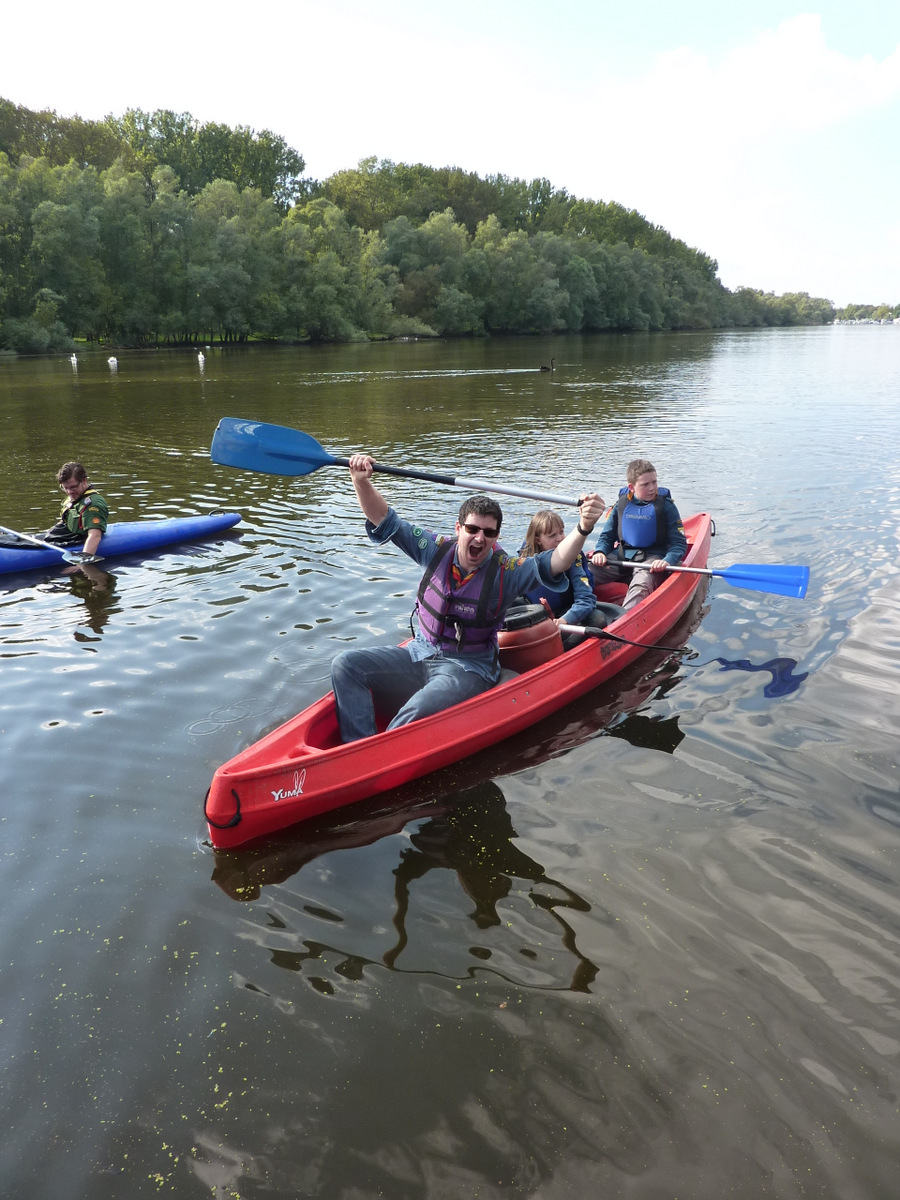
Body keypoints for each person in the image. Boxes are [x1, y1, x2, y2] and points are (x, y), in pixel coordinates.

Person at [330, 454, 606, 742]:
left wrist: (583, 527)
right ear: (458, 528)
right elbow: (384, 519)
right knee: (346, 664)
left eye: (488, 532)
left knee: (412, 715)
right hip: (419, 652)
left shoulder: (507, 570)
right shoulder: (433, 548)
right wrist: (360, 482)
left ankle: (381, 751)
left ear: (496, 536)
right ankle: (357, 746)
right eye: (472, 529)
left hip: (467, 667)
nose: (479, 538)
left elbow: (557, 561)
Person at [515, 509, 622, 648]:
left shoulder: (573, 559)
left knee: (598, 619)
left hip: (566, 612)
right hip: (537, 616)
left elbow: (586, 599)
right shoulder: (524, 558)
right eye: (552, 535)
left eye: (561, 532)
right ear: (538, 540)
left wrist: (565, 620)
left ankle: (563, 649)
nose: (560, 538)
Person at [589, 459, 687, 611]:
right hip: (621, 557)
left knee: (641, 583)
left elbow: (679, 543)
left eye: (654, 482)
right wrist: (600, 552)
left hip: (653, 559)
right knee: (585, 573)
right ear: (631, 487)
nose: (652, 488)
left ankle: (624, 618)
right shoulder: (621, 505)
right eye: (645, 484)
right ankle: (571, 608)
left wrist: (667, 561)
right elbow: (606, 537)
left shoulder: (667, 506)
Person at [45, 461, 108, 558]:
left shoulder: (93, 504)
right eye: (65, 488)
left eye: (73, 487)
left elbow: (95, 536)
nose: (69, 492)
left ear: (84, 481)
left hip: (82, 539)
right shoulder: (71, 499)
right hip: (68, 536)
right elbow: (63, 521)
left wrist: (82, 563)